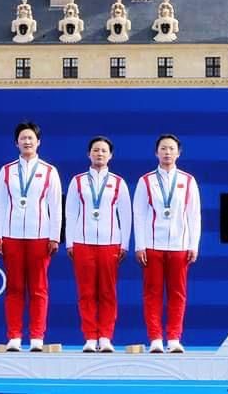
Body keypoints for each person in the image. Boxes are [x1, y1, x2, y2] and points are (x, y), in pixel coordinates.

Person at [0, 121, 62, 352]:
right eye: (23, 138)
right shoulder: (7, 171)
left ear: (38, 142)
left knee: (39, 288)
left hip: (40, 235)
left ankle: (37, 337)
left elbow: (56, 207)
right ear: (16, 143)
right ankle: (14, 336)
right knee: (14, 287)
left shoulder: (49, 171)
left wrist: (54, 236)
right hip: (11, 235)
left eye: (31, 138)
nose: (27, 141)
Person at [133, 134, 201, 353]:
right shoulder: (146, 181)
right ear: (156, 152)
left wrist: (193, 244)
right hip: (153, 245)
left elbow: (194, 215)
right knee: (152, 293)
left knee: (177, 294)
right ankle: (155, 338)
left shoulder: (188, 181)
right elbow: (139, 215)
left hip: (180, 245)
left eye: (171, 149)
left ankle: (173, 338)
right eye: (163, 148)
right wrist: (140, 245)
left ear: (179, 153)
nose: (167, 152)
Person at [65, 136, 132, 353]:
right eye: (95, 150)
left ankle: (105, 337)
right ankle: (89, 338)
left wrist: (124, 244)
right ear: (89, 154)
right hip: (82, 242)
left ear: (110, 155)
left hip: (110, 242)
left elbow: (126, 215)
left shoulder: (118, 182)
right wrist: (69, 242)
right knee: (86, 293)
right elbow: (70, 213)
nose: (99, 154)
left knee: (107, 293)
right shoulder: (77, 181)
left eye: (103, 151)